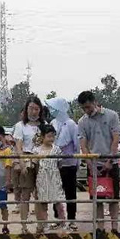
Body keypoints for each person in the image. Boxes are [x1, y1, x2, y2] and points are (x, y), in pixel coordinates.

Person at [77, 91, 120, 234]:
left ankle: (115, 227)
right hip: (94, 164)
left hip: (111, 162)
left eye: (88, 107)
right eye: (83, 108)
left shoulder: (112, 116)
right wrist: (89, 164)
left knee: (113, 198)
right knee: (97, 199)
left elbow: (115, 139)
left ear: (95, 102)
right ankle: (100, 228)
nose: (86, 110)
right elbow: (83, 145)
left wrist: (110, 160)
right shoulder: (82, 122)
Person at [12, 96, 44, 233]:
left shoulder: (44, 125)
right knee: (25, 195)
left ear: (40, 110)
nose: (33, 112)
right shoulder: (20, 126)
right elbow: (18, 146)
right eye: (31, 108)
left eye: (36, 109)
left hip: (41, 161)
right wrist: (22, 163)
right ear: (26, 109)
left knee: (40, 195)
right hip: (26, 160)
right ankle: (24, 226)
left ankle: (40, 226)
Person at [47, 97, 80, 231]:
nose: (51, 111)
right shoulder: (53, 123)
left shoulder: (71, 124)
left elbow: (77, 145)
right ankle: (58, 218)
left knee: (70, 192)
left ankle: (72, 219)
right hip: (55, 163)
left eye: (53, 108)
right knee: (56, 192)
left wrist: (77, 162)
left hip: (69, 163)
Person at [33, 124, 66, 234]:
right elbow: (35, 167)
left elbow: (60, 164)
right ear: (42, 136)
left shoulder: (56, 149)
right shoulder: (36, 150)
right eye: (49, 136)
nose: (51, 138)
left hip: (55, 178)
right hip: (42, 178)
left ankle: (63, 223)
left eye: (53, 136)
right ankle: (45, 225)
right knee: (43, 204)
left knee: (58, 202)